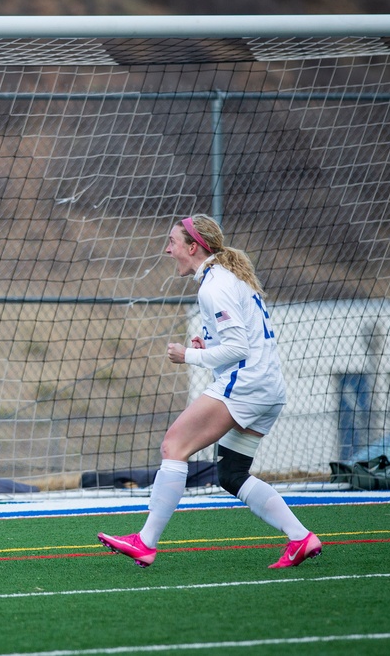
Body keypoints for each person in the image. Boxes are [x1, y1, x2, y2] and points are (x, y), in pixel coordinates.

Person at [98, 214, 321, 569]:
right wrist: (208, 345)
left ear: (193, 247)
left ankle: (145, 542)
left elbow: (238, 350)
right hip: (267, 388)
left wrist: (189, 355)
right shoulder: (228, 278)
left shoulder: (214, 286)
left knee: (174, 445)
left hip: (246, 386)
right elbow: (240, 340)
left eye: (172, 242)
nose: (166, 249)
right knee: (231, 474)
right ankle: (300, 538)